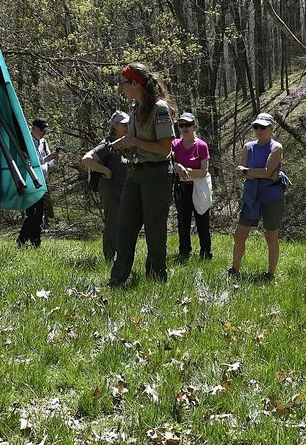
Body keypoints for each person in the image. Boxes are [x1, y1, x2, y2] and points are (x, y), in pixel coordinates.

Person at [107, 63, 176, 286]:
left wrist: (133, 141)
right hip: (135, 173)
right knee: (125, 228)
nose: (121, 89)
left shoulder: (160, 108)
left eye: (123, 83)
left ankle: (156, 280)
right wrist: (124, 144)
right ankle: (117, 281)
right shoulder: (135, 109)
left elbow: (165, 148)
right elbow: (138, 143)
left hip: (157, 175)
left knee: (154, 231)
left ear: (135, 83)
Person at [229, 112, 288, 279]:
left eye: (263, 127)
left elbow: (267, 171)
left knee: (271, 235)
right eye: (256, 126)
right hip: (251, 196)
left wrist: (250, 172)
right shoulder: (248, 146)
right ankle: (234, 269)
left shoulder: (276, 147)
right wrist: (260, 173)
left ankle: (270, 273)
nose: (259, 130)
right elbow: (242, 172)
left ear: (272, 128)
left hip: (272, 196)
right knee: (240, 234)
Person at [81, 110, 130, 262]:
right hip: (110, 190)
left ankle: (122, 256)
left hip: (124, 190)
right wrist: (105, 170)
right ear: (115, 125)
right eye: (124, 124)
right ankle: (109, 258)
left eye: (128, 123)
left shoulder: (127, 142)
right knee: (113, 223)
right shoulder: (107, 144)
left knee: (125, 224)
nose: (127, 126)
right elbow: (87, 159)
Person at [171, 111, 211, 261]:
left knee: (202, 221)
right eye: (182, 125)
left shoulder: (202, 146)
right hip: (181, 189)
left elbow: (203, 171)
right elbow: (168, 162)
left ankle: (206, 253)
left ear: (195, 126)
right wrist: (176, 165)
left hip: (199, 188)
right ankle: (184, 252)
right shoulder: (174, 144)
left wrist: (186, 171)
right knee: (183, 222)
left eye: (188, 125)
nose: (184, 128)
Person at [16, 118, 58, 247]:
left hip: (42, 181)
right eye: (42, 131)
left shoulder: (44, 142)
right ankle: (27, 240)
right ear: (34, 128)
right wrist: (46, 159)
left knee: (38, 214)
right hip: (30, 181)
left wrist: (54, 160)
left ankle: (31, 241)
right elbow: (27, 164)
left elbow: (49, 163)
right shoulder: (25, 142)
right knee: (32, 214)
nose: (44, 133)